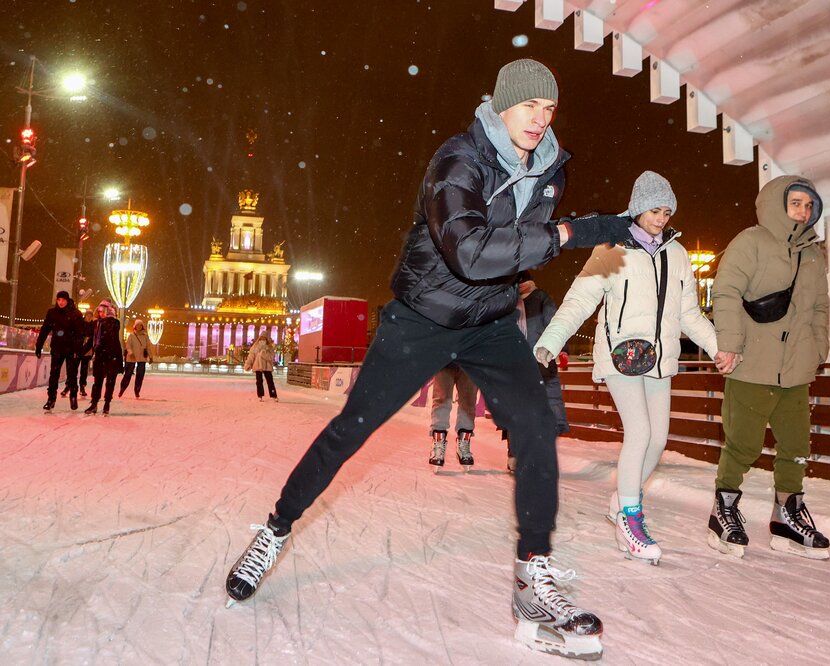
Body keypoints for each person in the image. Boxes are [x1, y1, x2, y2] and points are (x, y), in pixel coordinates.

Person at [224, 58, 632, 660]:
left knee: (536, 425)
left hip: (490, 323)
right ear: (500, 106)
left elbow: (515, 256)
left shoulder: (549, 173)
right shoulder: (457, 161)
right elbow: (469, 251)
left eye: (549, 111)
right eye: (528, 108)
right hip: (424, 318)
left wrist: (552, 249)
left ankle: (533, 579)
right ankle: (272, 531)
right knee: (349, 430)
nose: (540, 122)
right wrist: (572, 234)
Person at [534, 171, 728, 566]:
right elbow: (578, 302)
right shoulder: (611, 248)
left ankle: (621, 501)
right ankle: (631, 518)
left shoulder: (677, 254)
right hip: (622, 356)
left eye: (667, 211)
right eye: (655, 210)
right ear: (638, 208)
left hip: (660, 360)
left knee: (657, 441)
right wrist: (549, 343)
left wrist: (717, 346)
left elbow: (688, 312)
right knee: (638, 433)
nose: (661, 218)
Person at [707, 175, 830, 561]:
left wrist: (819, 349)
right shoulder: (751, 243)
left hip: (796, 368)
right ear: (777, 204)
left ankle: (787, 517)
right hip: (752, 364)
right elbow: (725, 292)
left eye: (809, 205)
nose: (803, 211)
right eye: (796, 203)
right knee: (743, 444)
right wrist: (728, 344)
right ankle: (722, 510)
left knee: (796, 447)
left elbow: (820, 308)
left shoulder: (813, 254)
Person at [503, 271, 570, 473]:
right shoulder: (507, 304)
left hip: (542, 363)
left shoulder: (541, 298)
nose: (520, 287)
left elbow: (556, 324)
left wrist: (563, 349)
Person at [35, 291, 83, 412]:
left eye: (62, 300)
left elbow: (79, 334)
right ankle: (51, 399)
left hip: (71, 349)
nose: (60, 302)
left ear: (67, 300)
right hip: (57, 348)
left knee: (72, 375)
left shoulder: (76, 314)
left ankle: (73, 396)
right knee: (54, 375)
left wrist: (77, 349)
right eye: (58, 300)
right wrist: (38, 345)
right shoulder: (52, 313)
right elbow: (45, 329)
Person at [428, 363, 478, 471]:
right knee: (442, 398)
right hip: (445, 357)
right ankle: (438, 444)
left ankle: (464, 443)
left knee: (468, 401)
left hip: (470, 358)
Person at [84, 299, 124, 416]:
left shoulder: (114, 322)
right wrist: (81, 351)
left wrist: (110, 317)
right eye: (99, 311)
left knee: (110, 381)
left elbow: (112, 334)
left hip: (112, 355)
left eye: (103, 311)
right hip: (100, 355)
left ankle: (107, 403)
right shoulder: (96, 324)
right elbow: (92, 340)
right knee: (98, 381)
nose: (101, 314)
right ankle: (94, 403)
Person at [119, 318, 152, 398]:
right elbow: (128, 346)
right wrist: (131, 353)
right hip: (132, 358)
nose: (138, 327)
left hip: (142, 358)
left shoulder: (145, 336)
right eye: (137, 325)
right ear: (135, 326)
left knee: (140, 375)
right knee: (128, 374)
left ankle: (137, 390)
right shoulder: (131, 335)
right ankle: (122, 388)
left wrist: (151, 357)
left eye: (140, 325)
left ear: (142, 326)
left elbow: (148, 347)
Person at [244, 334, 279, 402]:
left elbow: (271, 357)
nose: (262, 340)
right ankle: (260, 395)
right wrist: (248, 364)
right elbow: (251, 357)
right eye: (261, 339)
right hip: (258, 366)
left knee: (270, 381)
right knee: (259, 382)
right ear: (259, 339)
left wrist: (263, 354)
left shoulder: (269, 348)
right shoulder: (255, 347)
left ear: (266, 340)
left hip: (267, 366)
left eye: (264, 339)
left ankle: (273, 395)